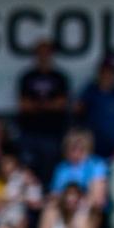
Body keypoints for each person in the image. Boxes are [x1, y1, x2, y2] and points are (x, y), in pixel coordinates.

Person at [14, 38, 71, 180]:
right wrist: (48, 105)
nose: (43, 56)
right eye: (40, 52)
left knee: (50, 170)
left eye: (47, 52)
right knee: (27, 169)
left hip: (52, 133)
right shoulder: (27, 77)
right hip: (29, 132)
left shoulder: (59, 77)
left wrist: (37, 105)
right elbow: (23, 105)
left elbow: (61, 104)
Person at [75, 56, 114, 158]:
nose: (108, 75)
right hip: (93, 145)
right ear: (100, 73)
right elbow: (77, 109)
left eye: (111, 72)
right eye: (105, 72)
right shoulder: (91, 91)